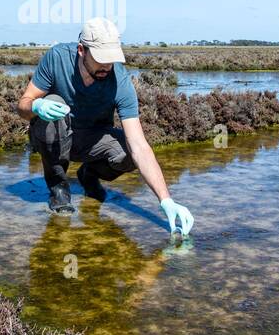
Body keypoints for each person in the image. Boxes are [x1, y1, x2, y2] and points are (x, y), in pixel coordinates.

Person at [17, 17, 194, 234]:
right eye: (100, 59)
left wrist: (166, 200)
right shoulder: (57, 58)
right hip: (54, 134)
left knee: (129, 153)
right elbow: (23, 105)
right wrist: (36, 106)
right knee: (54, 102)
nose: (107, 66)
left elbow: (139, 146)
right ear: (81, 50)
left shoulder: (120, 80)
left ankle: (89, 174)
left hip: (92, 140)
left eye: (111, 59)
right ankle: (58, 188)